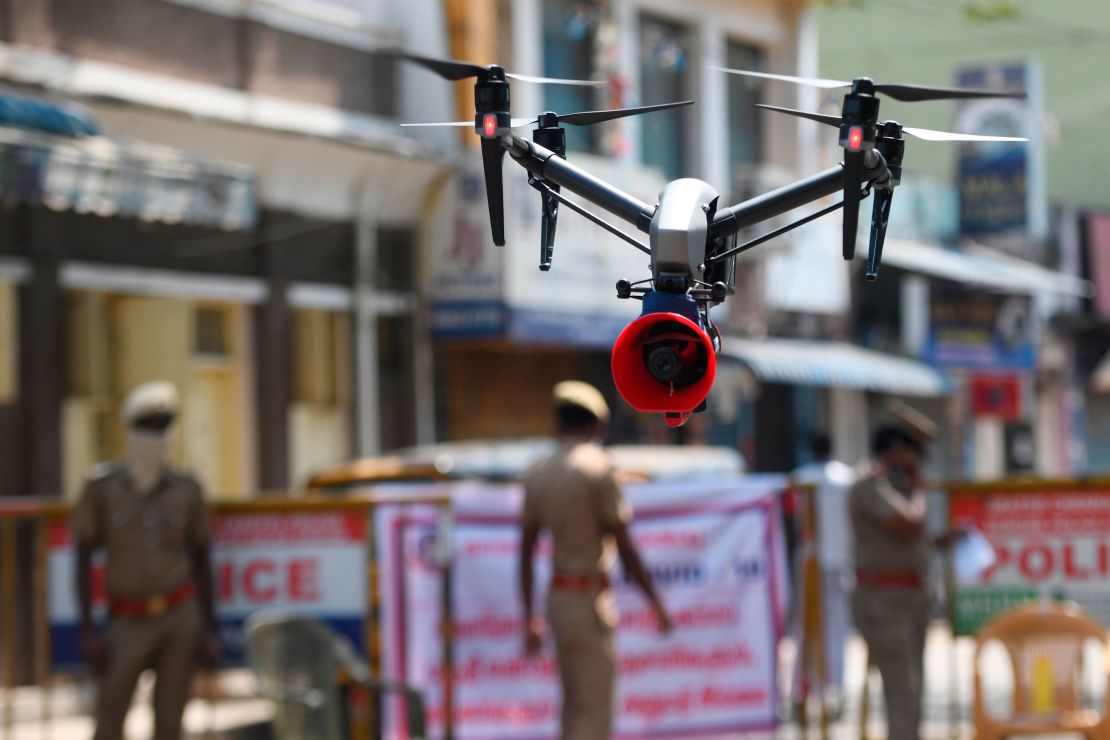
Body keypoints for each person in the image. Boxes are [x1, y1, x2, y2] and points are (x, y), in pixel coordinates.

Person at [519, 380, 672, 740]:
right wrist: (656, 603)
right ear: (595, 425)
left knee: (573, 709)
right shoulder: (598, 468)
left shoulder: (539, 472)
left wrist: (529, 617)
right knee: (594, 714)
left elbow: (524, 553)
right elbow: (625, 545)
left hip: (558, 601)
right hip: (589, 602)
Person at [73, 381, 218, 740]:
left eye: (162, 427)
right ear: (130, 431)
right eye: (147, 428)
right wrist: (89, 630)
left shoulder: (186, 489)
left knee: (170, 724)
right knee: (109, 720)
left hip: (178, 615)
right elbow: (82, 557)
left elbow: (202, 559)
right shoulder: (102, 488)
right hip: (126, 618)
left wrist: (208, 628)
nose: (156, 437)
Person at [849, 403, 960, 740]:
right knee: (904, 694)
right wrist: (917, 485)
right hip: (884, 602)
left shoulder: (898, 488)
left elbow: (914, 542)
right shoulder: (870, 484)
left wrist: (947, 540)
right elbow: (909, 523)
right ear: (895, 450)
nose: (916, 460)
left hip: (912, 598)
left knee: (914, 695)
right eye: (911, 451)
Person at [790, 434, 857, 713]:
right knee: (837, 628)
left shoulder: (802, 478)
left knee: (805, 627)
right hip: (839, 560)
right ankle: (832, 691)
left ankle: (804, 692)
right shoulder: (848, 479)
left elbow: (795, 521)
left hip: (812, 560)